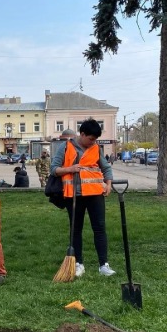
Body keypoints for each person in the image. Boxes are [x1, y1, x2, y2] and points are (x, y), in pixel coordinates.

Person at [52, 119, 116, 277]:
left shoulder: (96, 148)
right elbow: (54, 169)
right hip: (74, 195)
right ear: (82, 134)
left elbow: (106, 167)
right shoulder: (65, 147)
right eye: (91, 139)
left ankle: (103, 264)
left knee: (99, 228)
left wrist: (108, 184)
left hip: (95, 195)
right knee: (76, 230)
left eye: (95, 139)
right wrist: (70, 169)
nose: (93, 142)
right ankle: (78, 263)